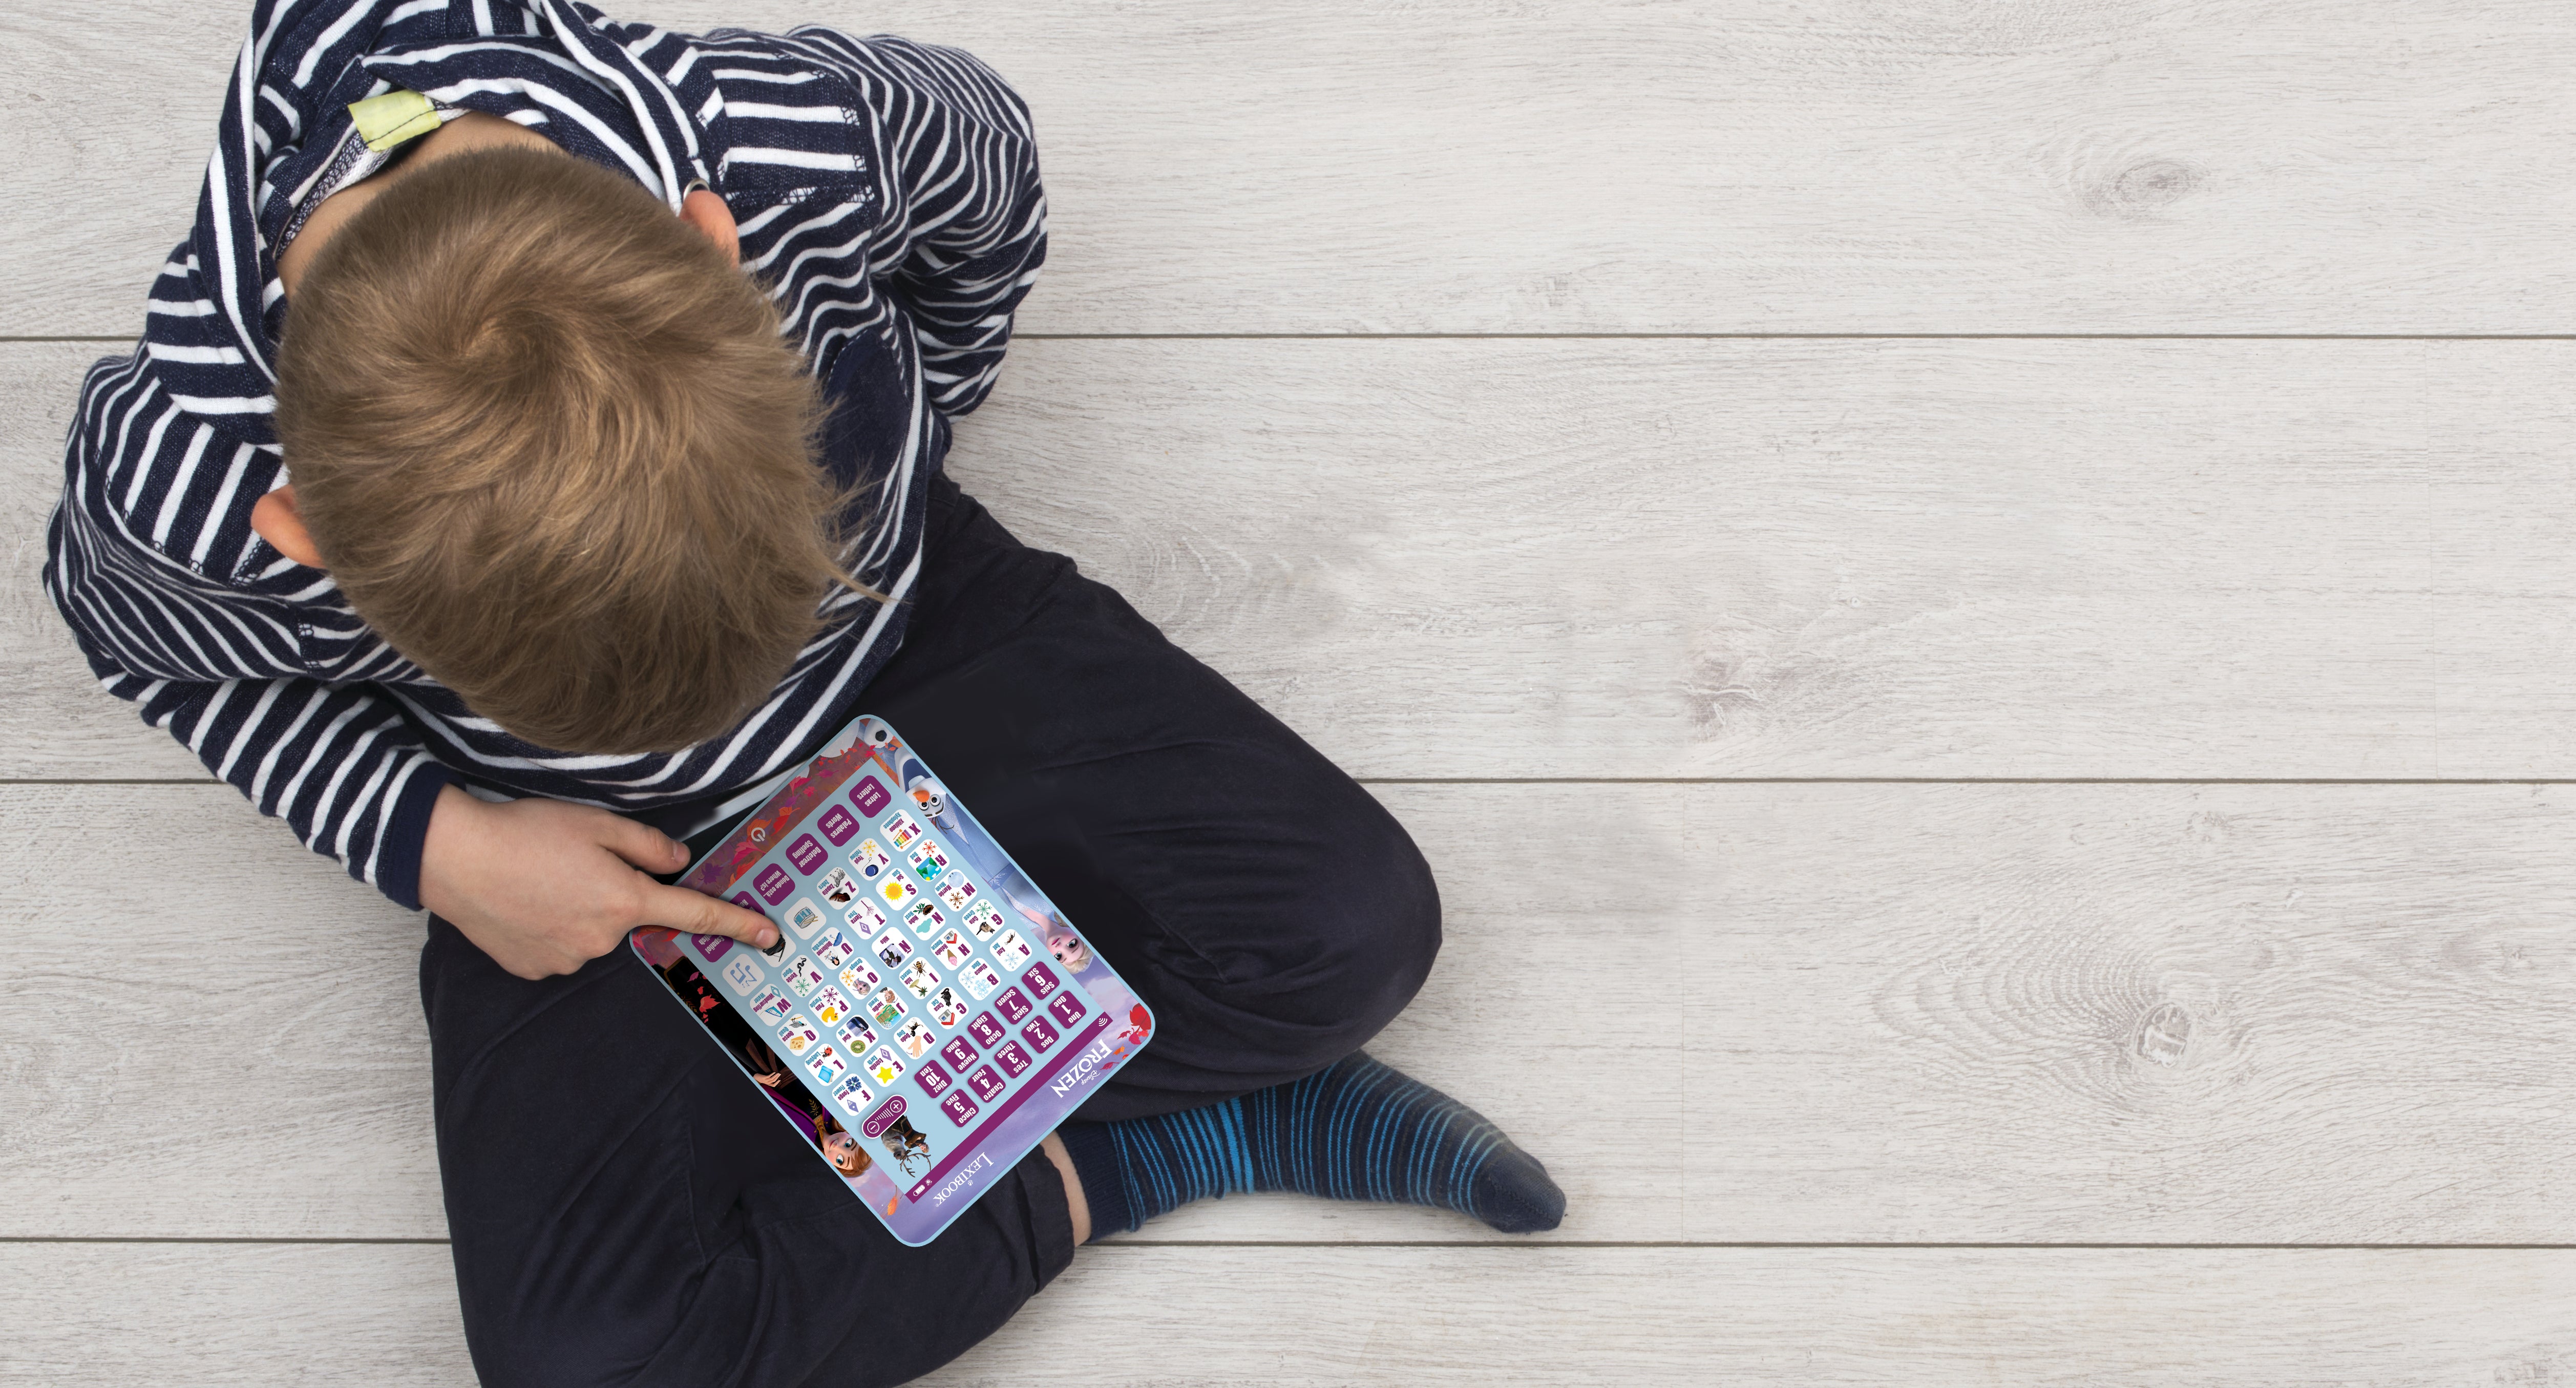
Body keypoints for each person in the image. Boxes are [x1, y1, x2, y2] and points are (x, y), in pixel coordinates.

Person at [44, 2, 1565, 1384]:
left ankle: (1002, 1117)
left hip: (906, 634)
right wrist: (439, 843)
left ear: (717, 249)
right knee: (586, 1371)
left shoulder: (790, 146)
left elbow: (989, 167)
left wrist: (931, 405)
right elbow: (150, 658)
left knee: (1358, 927)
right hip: (596, 850)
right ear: (301, 533)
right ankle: (1156, 1150)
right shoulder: (187, 488)